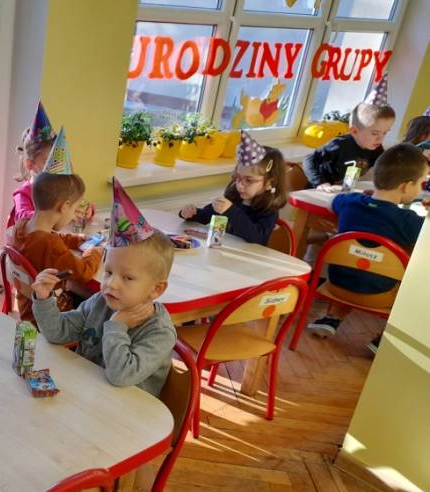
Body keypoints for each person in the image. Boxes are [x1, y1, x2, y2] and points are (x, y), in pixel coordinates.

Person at [31, 179, 176, 396]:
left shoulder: (159, 332)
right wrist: (44, 299)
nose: (111, 283)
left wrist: (117, 327)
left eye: (127, 278)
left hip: (127, 411)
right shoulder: (100, 302)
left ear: (156, 290)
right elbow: (56, 332)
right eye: (108, 272)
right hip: (88, 394)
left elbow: (120, 376)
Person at [307, 143, 427, 353]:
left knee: (359, 266)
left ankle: (332, 317)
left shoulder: (350, 203)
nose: (421, 189)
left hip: (336, 286)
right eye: (422, 183)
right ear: (406, 187)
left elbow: (331, 203)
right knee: (418, 280)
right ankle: (385, 337)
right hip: (380, 296)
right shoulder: (409, 221)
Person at [11, 127, 104, 321]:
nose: (72, 216)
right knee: (102, 308)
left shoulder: (23, 226)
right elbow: (84, 272)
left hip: (27, 309)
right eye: (73, 209)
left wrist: (77, 239)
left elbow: (51, 236)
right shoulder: (51, 246)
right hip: (49, 317)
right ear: (64, 206)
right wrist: (95, 251)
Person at [180, 130, 288, 245]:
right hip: (224, 252)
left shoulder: (269, 210)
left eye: (248, 180)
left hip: (249, 255)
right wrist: (191, 213)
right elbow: (206, 216)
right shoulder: (233, 197)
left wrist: (231, 211)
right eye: (238, 177)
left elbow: (256, 236)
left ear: (269, 183)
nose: (240, 185)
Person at [303, 74, 395, 190]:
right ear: (354, 131)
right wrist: (320, 183)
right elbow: (309, 159)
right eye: (375, 133)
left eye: (385, 133)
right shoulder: (339, 144)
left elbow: (385, 165)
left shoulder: (375, 148)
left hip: (344, 189)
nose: (380, 139)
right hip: (320, 190)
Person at [9, 101, 56, 230]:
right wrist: (53, 215)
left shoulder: (57, 189)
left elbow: (72, 203)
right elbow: (23, 217)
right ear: (30, 164)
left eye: (56, 161)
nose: (54, 167)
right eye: (48, 162)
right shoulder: (23, 194)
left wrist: (83, 210)